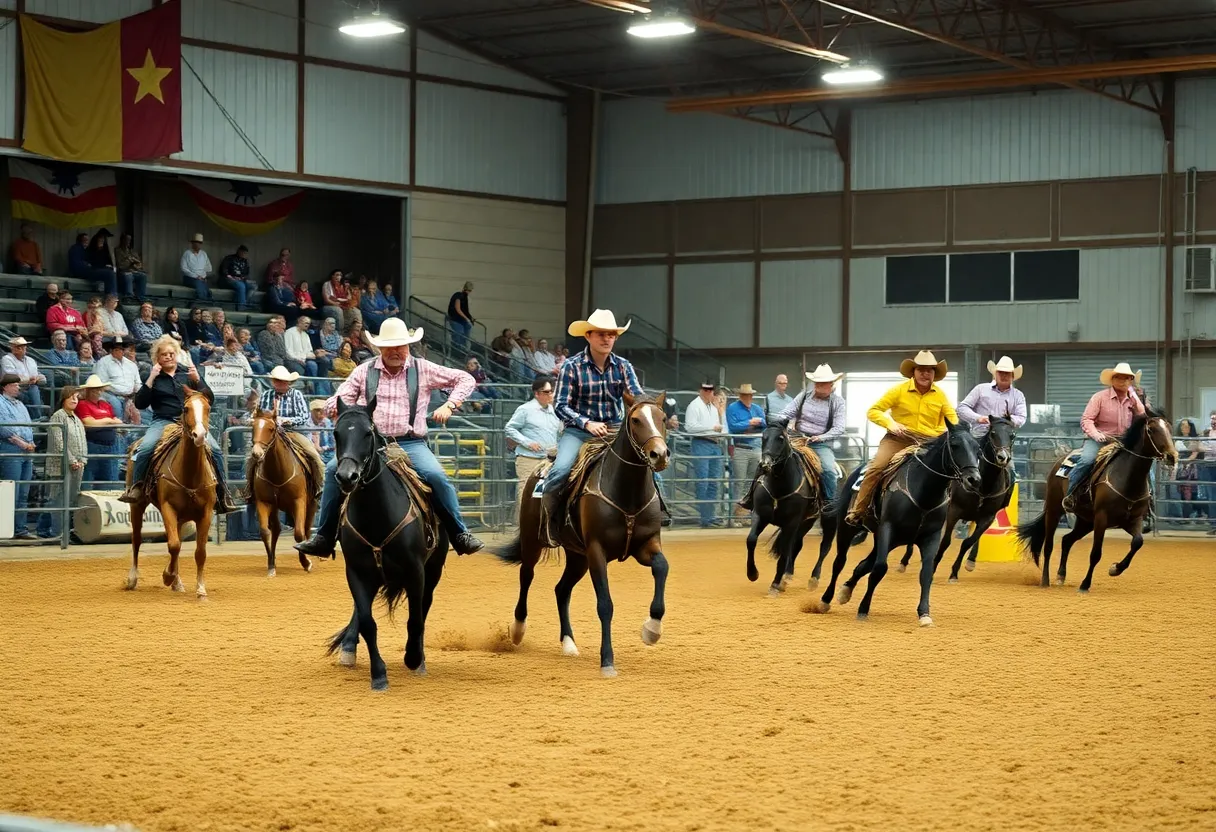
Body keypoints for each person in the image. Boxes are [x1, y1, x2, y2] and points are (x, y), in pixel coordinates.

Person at [295, 317, 484, 558]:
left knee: (436, 476)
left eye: (400, 346)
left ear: (408, 346)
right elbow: (342, 396)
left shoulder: (422, 368)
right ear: (380, 348)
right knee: (334, 471)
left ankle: (459, 533)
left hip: (410, 443)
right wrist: (335, 407)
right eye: (390, 347)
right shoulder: (364, 371)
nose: (395, 351)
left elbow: (465, 378)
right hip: (371, 444)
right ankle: (324, 536)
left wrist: (450, 404)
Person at [544, 309, 651, 544]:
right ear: (588, 336)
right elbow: (560, 405)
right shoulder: (571, 367)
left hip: (614, 429)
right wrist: (587, 423)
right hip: (578, 432)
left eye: (611, 334)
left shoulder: (623, 366)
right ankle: (550, 522)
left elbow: (637, 396)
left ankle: (653, 515)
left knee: (651, 468)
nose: (606, 339)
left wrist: (650, 410)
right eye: (601, 334)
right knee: (561, 470)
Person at [118, 335, 239, 512]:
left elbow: (209, 399)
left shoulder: (188, 373)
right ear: (157, 358)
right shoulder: (153, 376)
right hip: (163, 421)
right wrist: (151, 378)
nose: (168, 357)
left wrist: (198, 380)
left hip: (190, 423)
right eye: (164, 354)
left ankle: (223, 492)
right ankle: (137, 487)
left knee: (216, 450)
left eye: (171, 353)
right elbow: (140, 403)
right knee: (145, 448)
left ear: (176, 354)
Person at [845, 351, 958, 527]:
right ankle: (859, 510)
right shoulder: (898, 390)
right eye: (921, 369)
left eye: (929, 370)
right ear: (913, 371)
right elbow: (873, 411)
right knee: (877, 467)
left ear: (934, 374)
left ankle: (948, 512)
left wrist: (942, 433)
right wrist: (890, 424)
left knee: (952, 468)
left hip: (929, 442)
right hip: (898, 439)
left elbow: (953, 420)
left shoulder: (941, 395)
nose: (925, 373)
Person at [738, 364, 847, 510]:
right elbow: (787, 412)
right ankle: (751, 497)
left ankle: (830, 504)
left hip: (819, 443)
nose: (818, 386)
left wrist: (821, 437)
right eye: (817, 382)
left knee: (828, 469)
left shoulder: (838, 403)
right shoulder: (803, 396)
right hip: (796, 438)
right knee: (768, 459)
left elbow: (839, 428)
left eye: (823, 383)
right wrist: (778, 423)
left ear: (831, 385)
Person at [1063, 362, 1148, 513]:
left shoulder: (1133, 398)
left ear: (1131, 381)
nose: (1123, 381)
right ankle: (1071, 493)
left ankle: (1147, 500)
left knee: (1145, 464)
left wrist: (1135, 397)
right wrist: (1096, 434)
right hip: (1100, 439)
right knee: (1087, 460)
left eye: (1127, 378)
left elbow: (1142, 416)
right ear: (1113, 380)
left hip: (1124, 441)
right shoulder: (1099, 398)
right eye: (1119, 378)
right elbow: (1086, 419)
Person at [505, 375, 561, 518]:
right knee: (525, 492)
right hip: (528, 458)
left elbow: (559, 431)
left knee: (546, 493)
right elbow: (510, 428)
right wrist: (527, 442)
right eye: (547, 392)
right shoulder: (525, 409)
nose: (551, 395)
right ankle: (521, 528)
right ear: (537, 394)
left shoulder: (554, 411)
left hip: (548, 460)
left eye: (552, 391)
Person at [39, 386, 87, 539]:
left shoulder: (77, 419)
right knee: (57, 499)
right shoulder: (57, 416)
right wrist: (72, 460)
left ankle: (63, 532)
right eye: (71, 397)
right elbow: (59, 442)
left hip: (77, 465)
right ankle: (56, 533)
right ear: (63, 399)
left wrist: (82, 460)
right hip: (60, 466)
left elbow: (83, 441)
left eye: (76, 397)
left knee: (71, 499)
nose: (74, 400)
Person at [0, 373, 36, 538]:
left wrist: (31, 441)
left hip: (25, 449)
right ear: (6, 386)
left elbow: (28, 425)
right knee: (11, 490)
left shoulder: (21, 404)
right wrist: (23, 442)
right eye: (15, 385)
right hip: (11, 448)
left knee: (23, 491)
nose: (18, 387)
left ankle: (20, 528)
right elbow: (4, 427)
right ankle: (7, 529)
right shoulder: (1, 403)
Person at [957, 355, 1028, 437]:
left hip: (1004, 438)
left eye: (1007, 373)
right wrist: (978, 418)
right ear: (995, 375)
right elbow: (962, 408)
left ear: (1012, 376)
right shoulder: (980, 389)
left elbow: (1021, 418)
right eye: (1000, 372)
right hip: (979, 435)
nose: (1004, 375)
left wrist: (1002, 421)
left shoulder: (1018, 395)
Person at [77, 375, 124, 489]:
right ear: (87, 391)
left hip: (110, 445)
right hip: (92, 444)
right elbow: (89, 423)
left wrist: (100, 421)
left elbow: (118, 422)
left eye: (99, 389)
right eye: (94, 389)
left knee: (109, 477)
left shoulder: (106, 405)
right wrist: (108, 420)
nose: (97, 392)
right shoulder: (82, 404)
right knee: (88, 476)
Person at [726, 383, 766, 514]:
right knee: (739, 482)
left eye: (750, 395)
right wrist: (750, 423)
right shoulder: (732, 408)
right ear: (741, 395)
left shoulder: (756, 408)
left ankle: (744, 514)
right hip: (741, 448)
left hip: (756, 449)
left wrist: (752, 425)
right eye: (746, 395)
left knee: (751, 483)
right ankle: (735, 514)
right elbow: (733, 427)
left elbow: (765, 423)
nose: (749, 397)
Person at [257, 366, 310, 430]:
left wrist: (285, 421)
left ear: (288, 382)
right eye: (275, 380)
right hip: (269, 430)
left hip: (292, 431)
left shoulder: (296, 394)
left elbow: (304, 417)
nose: (278, 383)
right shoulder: (266, 394)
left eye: (281, 380)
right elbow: (259, 413)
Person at [1, 336, 46, 411]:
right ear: (12, 348)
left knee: (34, 389)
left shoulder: (31, 360)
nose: (22, 348)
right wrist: (29, 379)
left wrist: (37, 378)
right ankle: (36, 417)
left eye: (23, 346)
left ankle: (37, 418)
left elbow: (42, 378)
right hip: (16, 387)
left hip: (32, 387)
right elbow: (12, 377)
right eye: (18, 347)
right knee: (31, 392)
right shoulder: (6, 359)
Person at [113, 232, 149, 301]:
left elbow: (139, 264)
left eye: (129, 240)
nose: (128, 242)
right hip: (122, 272)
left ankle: (141, 296)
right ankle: (129, 296)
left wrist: (133, 263)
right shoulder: (117, 251)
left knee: (142, 276)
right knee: (128, 275)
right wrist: (130, 262)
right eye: (126, 239)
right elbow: (120, 264)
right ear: (122, 240)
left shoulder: (132, 251)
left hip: (133, 271)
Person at [218, 244, 254, 310]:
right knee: (241, 286)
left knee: (253, 286)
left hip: (240, 280)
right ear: (238, 251)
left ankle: (243, 303)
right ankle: (241, 308)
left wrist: (242, 278)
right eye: (242, 252)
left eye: (245, 253)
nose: (243, 254)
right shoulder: (229, 258)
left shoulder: (245, 261)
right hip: (227, 279)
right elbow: (223, 270)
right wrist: (231, 277)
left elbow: (246, 274)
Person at [180, 233, 213, 300]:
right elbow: (184, 269)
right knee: (200, 286)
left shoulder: (204, 254)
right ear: (192, 243)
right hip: (189, 278)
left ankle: (205, 302)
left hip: (202, 278)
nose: (197, 244)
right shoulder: (187, 253)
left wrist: (203, 276)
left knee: (207, 290)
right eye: (195, 242)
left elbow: (209, 268)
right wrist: (196, 276)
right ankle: (202, 303)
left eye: (199, 243)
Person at [448, 281, 474, 351]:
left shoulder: (463, 297)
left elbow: (465, 310)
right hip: (455, 319)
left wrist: (470, 318)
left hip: (461, 319)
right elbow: (458, 308)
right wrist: (467, 318)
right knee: (459, 334)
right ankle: (457, 350)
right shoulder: (458, 295)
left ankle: (462, 349)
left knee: (464, 335)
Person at [307, 400, 334, 464]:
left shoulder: (327, 422)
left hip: (327, 453)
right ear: (311, 411)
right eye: (317, 410)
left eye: (323, 410)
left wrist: (323, 449)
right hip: (310, 453)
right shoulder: (305, 422)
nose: (320, 413)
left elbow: (332, 442)